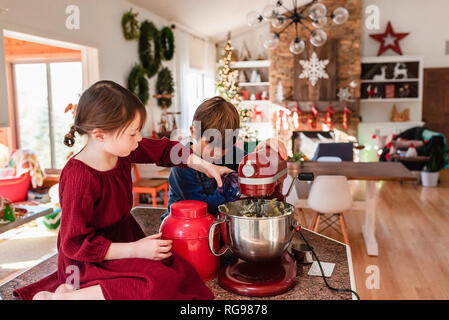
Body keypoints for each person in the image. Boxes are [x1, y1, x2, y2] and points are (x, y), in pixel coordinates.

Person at [13, 80, 231, 300]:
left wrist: (207, 166)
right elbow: (74, 244)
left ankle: (77, 291)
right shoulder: (79, 176)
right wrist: (135, 250)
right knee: (156, 284)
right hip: (90, 258)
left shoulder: (123, 150)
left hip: (123, 241)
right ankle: (63, 297)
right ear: (100, 135)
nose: (139, 139)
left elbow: (166, 151)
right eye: (133, 133)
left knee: (178, 272)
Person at [163, 96, 287, 220]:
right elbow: (203, 208)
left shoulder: (232, 154)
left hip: (218, 224)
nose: (216, 153)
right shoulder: (182, 166)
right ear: (193, 132)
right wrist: (228, 191)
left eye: (223, 147)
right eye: (209, 144)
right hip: (182, 226)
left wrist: (264, 148)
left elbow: (252, 165)